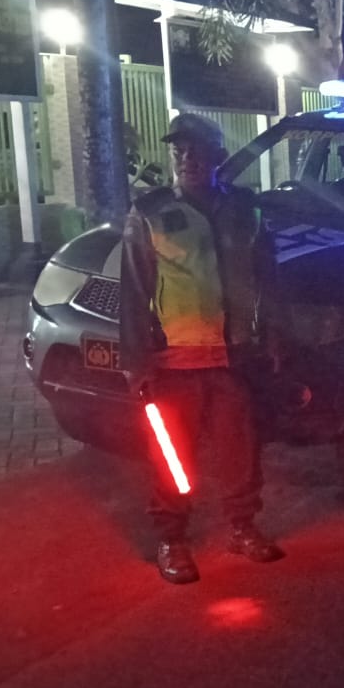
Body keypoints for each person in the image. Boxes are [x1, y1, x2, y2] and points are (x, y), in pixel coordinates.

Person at [120, 112, 285, 584]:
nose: (186, 158)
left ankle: (242, 527)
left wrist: (274, 335)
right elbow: (133, 291)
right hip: (175, 360)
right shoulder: (149, 213)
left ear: (218, 155)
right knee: (173, 456)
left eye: (196, 150)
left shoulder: (246, 209)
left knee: (241, 451)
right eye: (179, 150)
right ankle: (171, 538)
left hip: (235, 357)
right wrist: (136, 362)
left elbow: (267, 277)